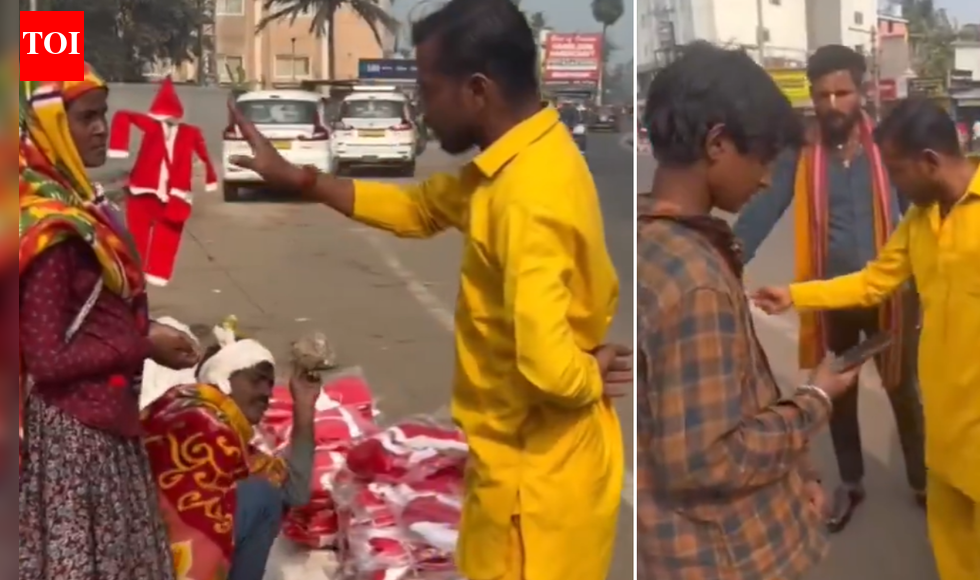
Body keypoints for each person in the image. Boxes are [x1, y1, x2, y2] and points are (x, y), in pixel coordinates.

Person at [225, 0, 631, 578]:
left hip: (534, 497)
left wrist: (592, 371)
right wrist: (302, 179)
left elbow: (548, 368)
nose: (421, 107)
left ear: (477, 90)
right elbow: (418, 208)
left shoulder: (527, 197)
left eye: (427, 88)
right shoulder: (519, 163)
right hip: (525, 473)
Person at [752, 97, 980, 580]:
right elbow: (873, 281)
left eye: (896, 169)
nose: (890, 181)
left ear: (930, 162)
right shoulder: (921, 222)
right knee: (950, 545)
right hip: (944, 427)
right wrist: (793, 293)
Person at [636, 42, 866, 580]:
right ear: (718, 143)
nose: (765, 179)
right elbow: (707, 458)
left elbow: (729, 399)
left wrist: (799, 470)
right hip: (726, 555)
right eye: (761, 159)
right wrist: (814, 399)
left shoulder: (660, 245)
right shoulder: (697, 284)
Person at [733, 45, 926, 531]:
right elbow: (763, 210)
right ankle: (853, 482)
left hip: (891, 295)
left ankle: (923, 483)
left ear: (861, 92)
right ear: (812, 97)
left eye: (843, 92)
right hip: (832, 301)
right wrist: (724, 259)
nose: (833, 104)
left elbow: (921, 211)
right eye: (823, 95)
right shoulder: (802, 155)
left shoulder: (888, 146)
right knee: (838, 392)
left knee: (904, 390)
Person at [18, 68, 201, 580]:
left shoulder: (81, 207)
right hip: (76, 443)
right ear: (48, 127)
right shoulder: (51, 230)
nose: (102, 128)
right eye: (86, 117)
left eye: (103, 113)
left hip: (103, 428)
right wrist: (142, 345)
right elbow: (48, 360)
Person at [142, 322, 317, 580]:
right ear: (223, 379)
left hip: (136, 552)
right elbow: (290, 493)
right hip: (154, 555)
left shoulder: (184, 408)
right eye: (257, 380)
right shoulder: (206, 424)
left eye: (269, 384)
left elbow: (295, 492)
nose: (266, 393)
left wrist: (304, 408)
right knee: (263, 497)